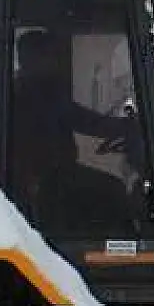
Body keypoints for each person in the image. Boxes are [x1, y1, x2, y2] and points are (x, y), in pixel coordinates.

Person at [9, 24, 144, 237]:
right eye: (48, 56)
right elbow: (82, 120)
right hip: (47, 178)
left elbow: (78, 118)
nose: (54, 63)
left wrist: (120, 128)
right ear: (32, 58)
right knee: (114, 190)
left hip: (51, 175)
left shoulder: (29, 89)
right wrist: (124, 127)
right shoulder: (34, 93)